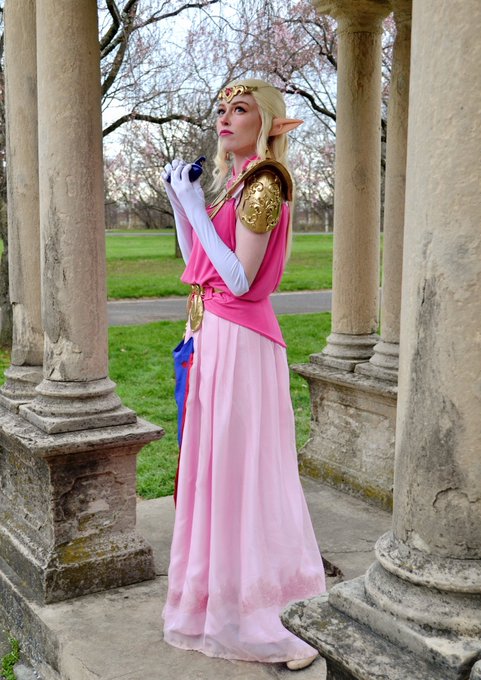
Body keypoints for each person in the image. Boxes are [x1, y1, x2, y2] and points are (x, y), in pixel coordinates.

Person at [161, 78, 326, 671]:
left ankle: (265, 613)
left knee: (244, 471)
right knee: (216, 471)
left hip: (241, 341)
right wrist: (182, 203)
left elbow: (238, 279)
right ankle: (218, 603)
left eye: (241, 109)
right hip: (211, 335)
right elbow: (198, 262)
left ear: (267, 122)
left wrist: (193, 208)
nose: (225, 119)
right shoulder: (234, 185)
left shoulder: (264, 184)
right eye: (223, 110)